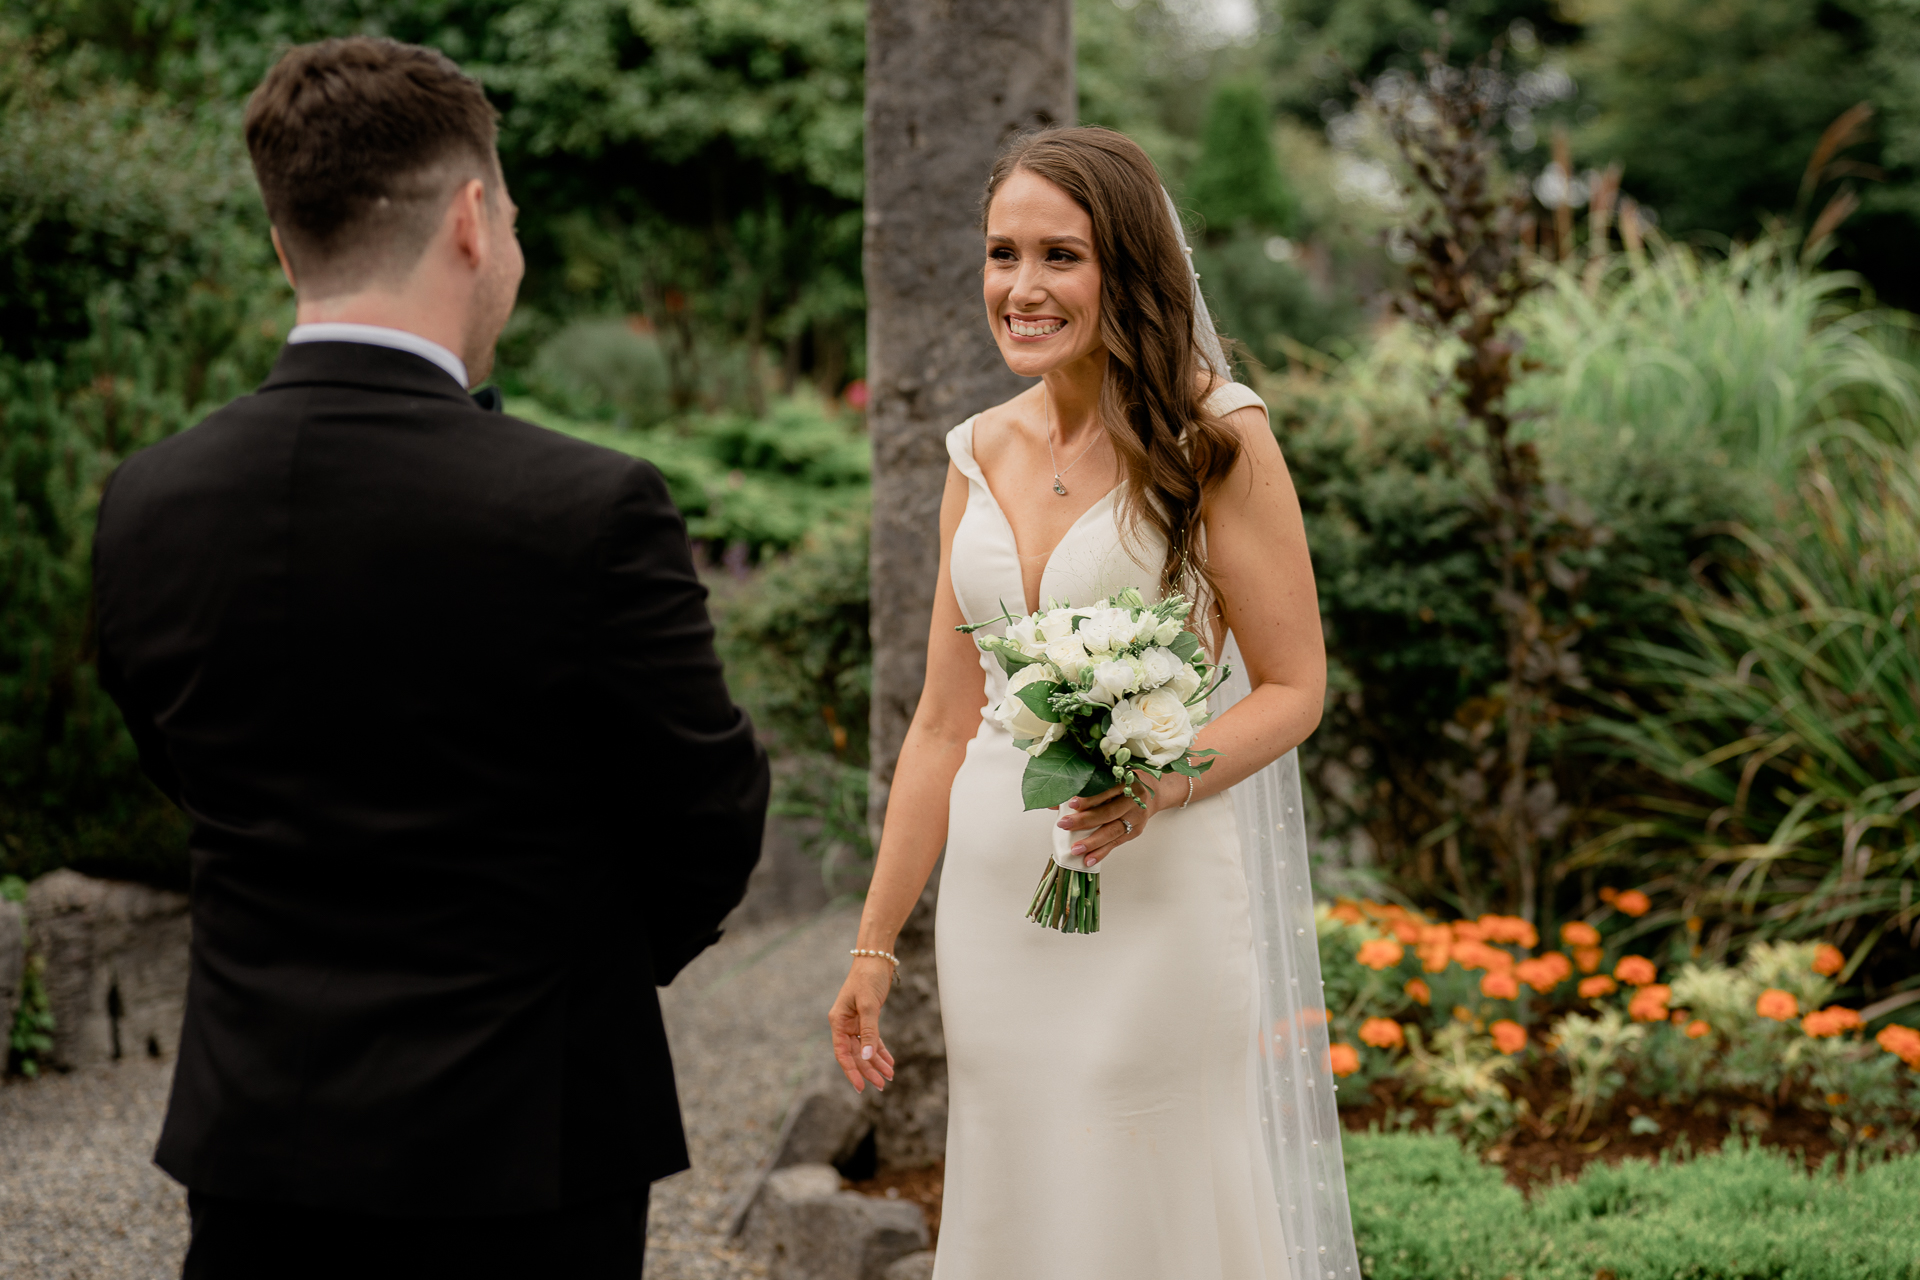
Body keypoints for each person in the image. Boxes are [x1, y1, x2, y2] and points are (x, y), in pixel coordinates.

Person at [90, 37, 769, 1280]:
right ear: (471, 220)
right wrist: (573, 966)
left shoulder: (146, 500)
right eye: (507, 215)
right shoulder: (589, 504)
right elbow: (708, 817)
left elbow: (182, 766)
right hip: (523, 1154)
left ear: (286, 243)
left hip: (257, 1148)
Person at [827, 127, 1360, 1278]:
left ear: (1126, 267)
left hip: (1154, 890)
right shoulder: (974, 450)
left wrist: (1162, 782)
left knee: (1138, 1195)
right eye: (1000, 253)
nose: (1021, 288)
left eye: (1060, 256)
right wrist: (877, 943)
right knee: (1020, 1192)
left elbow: (1295, 686)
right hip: (993, 897)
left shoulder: (1217, 435)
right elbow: (940, 721)